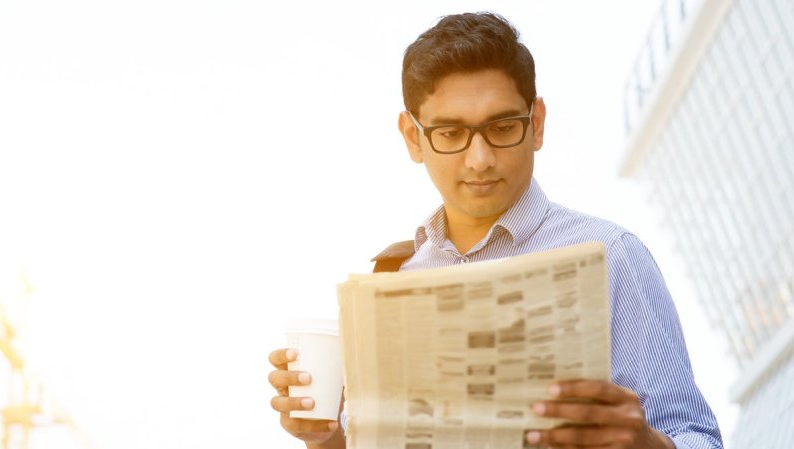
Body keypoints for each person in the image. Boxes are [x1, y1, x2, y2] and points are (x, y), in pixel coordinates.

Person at [267, 12, 722, 449]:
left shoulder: (612, 256)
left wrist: (648, 445)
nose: (480, 159)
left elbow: (699, 440)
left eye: (502, 127)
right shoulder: (389, 282)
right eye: (450, 134)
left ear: (536, 124)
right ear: (412, 138)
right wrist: (325, 437)